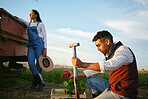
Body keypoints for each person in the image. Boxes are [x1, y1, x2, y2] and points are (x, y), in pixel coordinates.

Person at [71, 30, 138, 99]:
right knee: (91, 80)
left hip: (123, 94)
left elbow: (110, 65)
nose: (98, 49)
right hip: (113, 87)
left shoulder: (123, 50)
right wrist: (74, 75)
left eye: (98, 45)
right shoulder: (109, 55)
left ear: (107, 41)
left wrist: (82, 64)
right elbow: (94, 71)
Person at [16, 9, 47, 91]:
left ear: (36, 15)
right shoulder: (28, 24)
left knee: (39, 64)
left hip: (39, 44)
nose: (30, 15)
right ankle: (41, 82)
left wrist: (45, 48)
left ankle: (34, 85)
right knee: (31, 63)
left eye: (32, 13)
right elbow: (22, 20)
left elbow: (45, 37)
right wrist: (17, 17)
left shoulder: (41, 24)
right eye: (29, 14)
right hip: (31, 45)